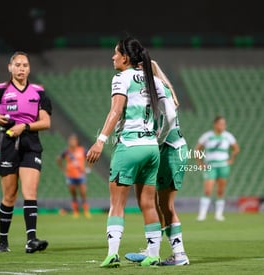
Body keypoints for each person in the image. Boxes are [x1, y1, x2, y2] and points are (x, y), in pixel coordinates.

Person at [86, 37, 177, 268]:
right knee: (148, 204)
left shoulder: (121, 77)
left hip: (128, 147)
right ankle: (154, 255)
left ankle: (112, 254)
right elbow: (172, 115)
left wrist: (100, 141)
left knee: (116, 203)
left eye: (116, 53)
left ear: (125, 58)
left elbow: (115, 111)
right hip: (150, 148)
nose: (113, 57)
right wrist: (160, 139)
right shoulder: (153, 80)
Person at [0, 51, 52, 253]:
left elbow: (45, 122)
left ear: (29, 68)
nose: (21, 68)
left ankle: (31, 240)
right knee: (9, 195)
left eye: (25, 65)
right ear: (10, 67)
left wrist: (24, 127)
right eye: (17, 65)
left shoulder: (39, 91)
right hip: (7, 142)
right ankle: (2, 241)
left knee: (30, 192)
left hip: (30, 142)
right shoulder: (0, 90)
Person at [124, 60, 190, 266]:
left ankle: (179, 254)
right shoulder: (160, 91)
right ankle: (153, 249)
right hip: (169, 148)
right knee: (156, 203)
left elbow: (167, 121)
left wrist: (156, 141)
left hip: (170, 149)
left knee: (165, 205)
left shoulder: (158, 92)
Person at [195, 116, 240, 221]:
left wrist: (231, 159)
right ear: (215, 124)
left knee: (220, 191)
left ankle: (218, 215)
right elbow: (197, 149)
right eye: (220, 124)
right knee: (208, 190)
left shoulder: (228, 136)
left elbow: (236, 149)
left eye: (224, 124)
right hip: (210, 165)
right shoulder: (207, 136)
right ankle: (202, 215)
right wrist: (200, 163)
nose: (222, 126)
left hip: (223, 165)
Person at [56, 134, 91, 218]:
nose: (72, 142)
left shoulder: (82, 150)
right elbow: (58, 159)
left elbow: (90, 158)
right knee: (73, 194)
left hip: (80, 175)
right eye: (71, 140)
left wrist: (87, 168)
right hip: (70, 176)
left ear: (77, 142)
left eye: (74, 140)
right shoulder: (67, 151)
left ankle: (86, 211)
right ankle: (76, 212)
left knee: (83, 193)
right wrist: (64, 170)